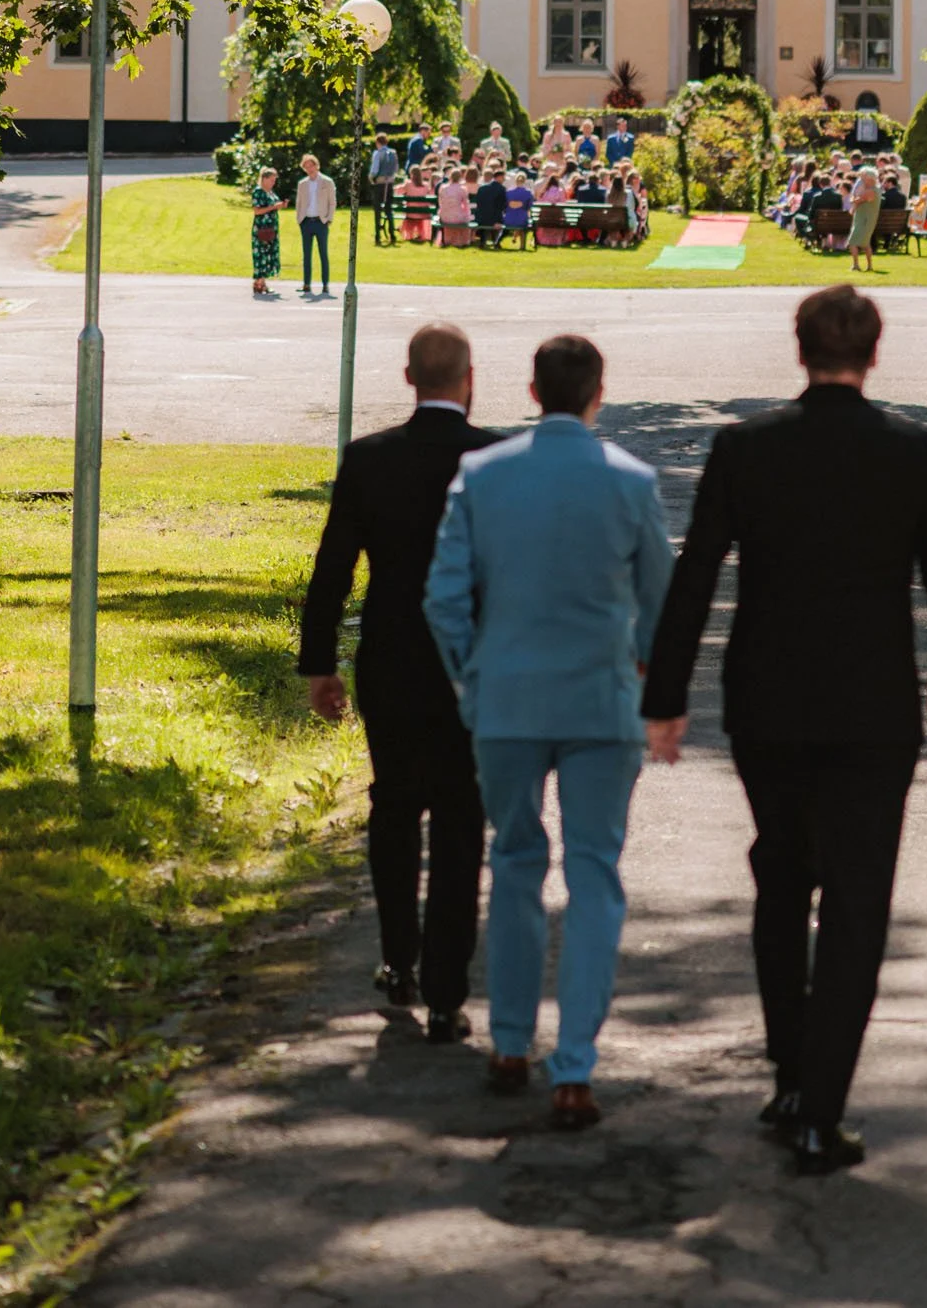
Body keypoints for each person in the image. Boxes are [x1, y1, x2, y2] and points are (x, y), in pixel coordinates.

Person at [643, 287, 927, 1174]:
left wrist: (666, 696)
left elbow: (697, 575)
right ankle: (820, 1105)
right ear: (873, 354)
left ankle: (790, 1075)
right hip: (872, 702)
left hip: (768, 697)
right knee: (859, 894)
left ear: (799, 351)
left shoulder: (745, 446)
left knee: (780, 873)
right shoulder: (910, 450)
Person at [426, 335, 674, 1130]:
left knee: (515, 861)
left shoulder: (483, 474)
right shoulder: (632, 483)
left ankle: (506, 1042)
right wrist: (642, 669)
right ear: (599, 391)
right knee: (596, 873)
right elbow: (660, 600)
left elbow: (443, 598)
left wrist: (475, 676)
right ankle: (574, 1066)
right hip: (601, 702)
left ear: (531, 390)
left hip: (506, 698)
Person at [299, 324, 502, 1038]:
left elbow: (334, 569)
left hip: (389, 655)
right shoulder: (497, 459)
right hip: (473, 661)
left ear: (409, 377)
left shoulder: (369, 458)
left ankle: (397, 958)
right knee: (459, 816)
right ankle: (448, 988)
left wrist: (319, 662)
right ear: (468, 378)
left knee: (392, 805)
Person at [294, 152, 337, 298]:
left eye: (311, 165)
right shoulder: (302, 184)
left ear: (316, 165)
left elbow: (332, 202)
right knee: (307, 255)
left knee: (323, 254)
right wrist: (299, 219)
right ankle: (306, 284)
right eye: (306, 167)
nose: (309, 169)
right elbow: (299, 203)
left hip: (321, 222)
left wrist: (329, 218)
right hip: (306, 221)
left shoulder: (327, 182)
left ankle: (325, 285)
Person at [250, 165, 286, 296]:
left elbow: (274, 205)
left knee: (268, 255)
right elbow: (257, 210)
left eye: (274, 180)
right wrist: (273, 207)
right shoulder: (258, 192)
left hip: (271, 228)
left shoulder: (270, 192)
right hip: (261, 228)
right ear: (264, 179)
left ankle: (262, 283)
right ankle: (258, 283)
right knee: (261, 255)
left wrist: (281, 205)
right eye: (271, 180)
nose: (273, 182)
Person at [847, 163, 881, 273]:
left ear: (869, 179)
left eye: (863, 178)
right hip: (863, 218)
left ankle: (856, 265)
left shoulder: (871, 190)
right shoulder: (872, 189)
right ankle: (869, 266)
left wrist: (853, 199)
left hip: (865, 219)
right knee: (866, 244)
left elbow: (857, 200)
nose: (861, 180)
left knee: (853, 242)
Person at [368, 132, 400, 247]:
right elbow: (396, 168)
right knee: (388, 210)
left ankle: (378, 236)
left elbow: (374, 170)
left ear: (378, 142)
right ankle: (392, 235)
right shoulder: (393, 153)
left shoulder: (378, 154)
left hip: (379, 183)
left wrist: (371, 178)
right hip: (390, 182)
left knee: (377, 211)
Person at [474, 165, 507, 247]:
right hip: (495, 219)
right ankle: (496, 241)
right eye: (503, 177)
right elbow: (502, 206)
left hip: (481, 217)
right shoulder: (501, 189)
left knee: (488, 216)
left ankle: (483, 241)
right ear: (499, 177)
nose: (504, 179)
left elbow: (478, 202)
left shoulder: (482, 188)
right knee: (502, 219)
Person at [401, 165, 435, 241]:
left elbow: (399, 191)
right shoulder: (426, 185)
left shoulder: (408, 184)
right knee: (422, 210)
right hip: (423, 213)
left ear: (411, 174)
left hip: (410, 213)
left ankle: (410, 235)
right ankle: (421, 235)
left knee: (410, 211)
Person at [501, 170, 534, 248]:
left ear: (515, 180)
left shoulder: (508, 192)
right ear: (525, 181)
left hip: (508, 219)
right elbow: (529, 207)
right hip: (521, 220)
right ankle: (522, 246)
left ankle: (511, 238)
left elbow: (504, 206)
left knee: (518, 218)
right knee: (522, 221)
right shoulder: (528, 193)